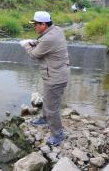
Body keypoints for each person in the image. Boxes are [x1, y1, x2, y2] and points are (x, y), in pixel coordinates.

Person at [20, 11, 70, 146]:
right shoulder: (56, 30)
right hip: (54, 74)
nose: (34, 27)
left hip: (56, 77)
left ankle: (58, 134)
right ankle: (44, 118)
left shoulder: (49, 39)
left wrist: (25, 45)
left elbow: (35, 55)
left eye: (36, 24)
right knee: (47, 99)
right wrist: (34, 41)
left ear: (43, 24)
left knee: (52, 107)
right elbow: (43, 41)